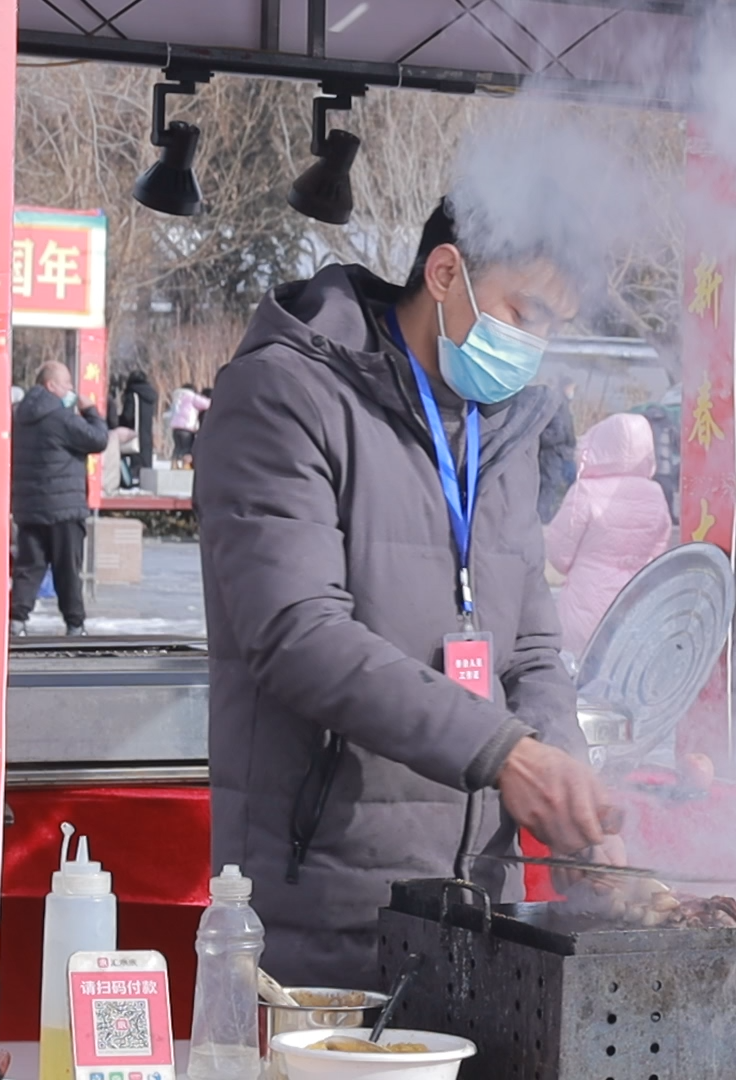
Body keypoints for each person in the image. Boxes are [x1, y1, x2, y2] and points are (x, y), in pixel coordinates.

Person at [193, 198, 618, 989]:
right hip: (325, 904)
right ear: (445, 271)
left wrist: (565, 785)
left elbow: (528, 650)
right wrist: (501, 753)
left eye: (554, 326)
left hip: (481, 910)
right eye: (523, 311)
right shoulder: (287, 394)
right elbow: (297, 633)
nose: (534, 345)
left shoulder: (507, 431)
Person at [545, 412, 676, 654]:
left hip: (586, 603)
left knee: (582, 675)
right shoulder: (655, 493)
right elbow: (660, 545)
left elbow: (558, 553)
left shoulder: (584, 491)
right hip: (638, 601)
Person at [9, 361, 110, 636]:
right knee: (67, 569)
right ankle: (74, 624)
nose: (71, 391)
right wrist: (90, 410)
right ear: (51, 385)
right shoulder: (61, 417)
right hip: (64, 509)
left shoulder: (18, 415)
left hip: (29, 506)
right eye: (67, 385)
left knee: (29, 567)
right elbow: (98, 439)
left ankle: (16, 620)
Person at [538, 375, 579, 523]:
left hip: (563, 452)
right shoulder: (557, 404)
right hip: (553, 453)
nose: (573, 391)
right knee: (549, 485)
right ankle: (542, 518)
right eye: (572, 388)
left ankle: (551, 514)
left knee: (563, 484)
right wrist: (561, 438)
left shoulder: (563, 404)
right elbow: (556, 430)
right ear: (565, 387)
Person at [112, 369, 158, 489]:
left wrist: (118, 421)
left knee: (135, 463)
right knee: (145, 463)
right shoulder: (151, 396)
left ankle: (131, 483)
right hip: (147, 434)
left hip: (134, 434)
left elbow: (128, 415)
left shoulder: (133, 394)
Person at [169, 382, 209, 467]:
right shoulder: (192, 397)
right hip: (186, 428)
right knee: (187, 449)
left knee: (177, 448)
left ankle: (174, 465)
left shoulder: (177, 398)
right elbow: (206, 404)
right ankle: (186, 466)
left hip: (175, 428)